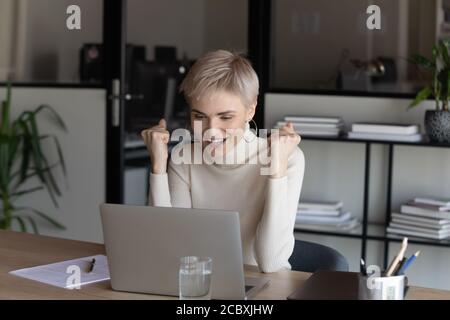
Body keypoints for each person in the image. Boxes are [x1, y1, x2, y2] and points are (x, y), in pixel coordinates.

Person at [141, 50, 305, 273]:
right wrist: (158, 166)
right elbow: (165, 249)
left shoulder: (288, 157)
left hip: (264, 288)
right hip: (200, 283)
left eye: (225, 117)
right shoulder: (184, 158)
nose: (211, 131)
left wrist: (276, 170)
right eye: (199, 116)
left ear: (250, 110)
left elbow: (271, 263)